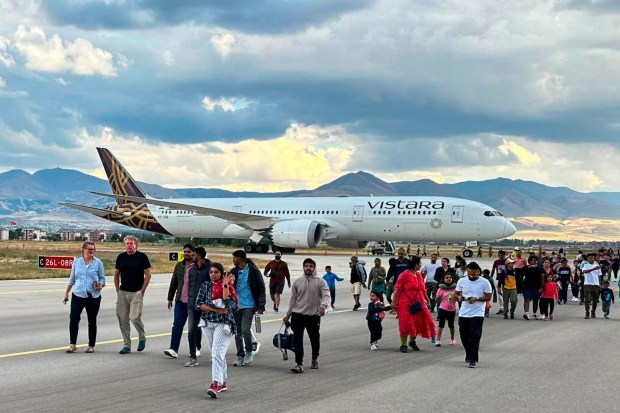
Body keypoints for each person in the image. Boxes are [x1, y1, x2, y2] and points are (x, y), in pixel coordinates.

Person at [196, 263, 238, 398]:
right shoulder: (205, 286)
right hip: (208, 322)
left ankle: (216, 383)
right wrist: (214, 309)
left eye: (216, 272)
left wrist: (225, 284)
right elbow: (199, 304)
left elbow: (227, 301)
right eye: (211, 272)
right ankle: (223, 381)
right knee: (217, 354)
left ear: (221, 274)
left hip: (224, 323)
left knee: (216, 353)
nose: (213, 274)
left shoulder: (226, 286)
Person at [283, 258, 331, 373]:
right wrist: (288, 314)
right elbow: (293, 299)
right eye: (306, 266)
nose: (308, 268)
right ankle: (299, 364)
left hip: (313, 316)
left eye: (310, 266)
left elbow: (326, 295)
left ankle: (314, 358)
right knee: (297, 339)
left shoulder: (320, 281)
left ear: (314, 268)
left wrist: (323, 306)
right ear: (303, 267)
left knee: (314, 338)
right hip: (297, 315)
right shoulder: (297, 281)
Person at [63, 241, 105, 353]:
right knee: (74, 318)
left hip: (93, 296)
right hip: (78, 295)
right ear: (83, 249)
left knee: (92, 320)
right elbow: (72, 279)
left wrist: (100, 285)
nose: (91, 251)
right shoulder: (76, 262)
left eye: (93, 249)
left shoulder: (98, 263)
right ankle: (72, 344)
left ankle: (91, 345)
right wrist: (66, 292)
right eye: (89, 249)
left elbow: (102, 278)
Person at [114, 235, 151, 354]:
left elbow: (148, 275)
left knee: (134, 317)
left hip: (136, 292)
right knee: (122, 319)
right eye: (127, 243)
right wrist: (117, 290)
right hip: (123, 292)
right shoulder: (121, 257)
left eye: (131, 243)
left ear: (136, 245)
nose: (129, 245)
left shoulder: (142, 257)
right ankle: (126, 344)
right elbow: (116, 274)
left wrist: (142, 290)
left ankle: (142, 336)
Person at [391, 257, 435, 353]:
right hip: (405, 303)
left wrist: (427, 299)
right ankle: (403, 344)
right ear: (415, 265)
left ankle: (412, 341)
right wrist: (393, 302)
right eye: (420, 263)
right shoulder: (404, 275)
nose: (421, 265)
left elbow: (422, 289)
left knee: (418, 322)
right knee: (406, 323)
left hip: (418, 302)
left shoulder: (419, 275)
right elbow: (397, 290)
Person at [231, 250, 266, 366]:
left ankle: (249, 351)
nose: (233, 260)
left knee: (245, 330)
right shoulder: (233, 272)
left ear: (241, 259)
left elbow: (261, 287)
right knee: (237, 332)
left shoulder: (253, 271)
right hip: (235, 305)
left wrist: (261, 305)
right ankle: (240, 355)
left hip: (249, 305)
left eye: (234, 258)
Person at [454, 262, 492, 368]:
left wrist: (478, 298)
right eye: (470, 274)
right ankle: (468, 353)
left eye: (474, 274)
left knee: (475, 336)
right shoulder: (462, 281)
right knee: (464, 336)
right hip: (464, 312)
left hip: (478, 313)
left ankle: (473, 359)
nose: (472, 276)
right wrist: (459, 297)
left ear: (478, 272)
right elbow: (456, 294)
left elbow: (488, 297)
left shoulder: (485, 282)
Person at [164, 243, 195, 359]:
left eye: (188, 252)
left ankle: (196, 348)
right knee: (177, 325)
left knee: (194, 327)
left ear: (193, 252)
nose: (186, 254)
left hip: (193, 302)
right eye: (185, 252)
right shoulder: (179, 265)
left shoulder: (197, 266)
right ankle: (173, 349)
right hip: (180, 301)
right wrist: (170, 298)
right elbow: (174, 282)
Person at [184, 246, 211, 367]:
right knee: (191, 330)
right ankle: (193, 357)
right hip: (193, 305)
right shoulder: (192, 269)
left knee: (211, 330)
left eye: (194, 255)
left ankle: (215, 353)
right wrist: (190, 300)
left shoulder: (210, 269)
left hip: (206, 306)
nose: (191, 256)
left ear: (199, 256)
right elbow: (190, 286)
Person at [434, 273, 457, 347]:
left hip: (452, 309)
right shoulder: (440, 289)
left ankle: (452, 339)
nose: (448, 279)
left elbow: (458, 298)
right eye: (446, 278)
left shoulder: (455, 289)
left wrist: (459, 298)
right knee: (441, 325)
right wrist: (437, 297)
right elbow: (437, 299)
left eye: (450, 277)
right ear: (443, 279)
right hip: (442, 308)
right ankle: (438, 340)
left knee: (451, 325)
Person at [581, 253, 602, 319]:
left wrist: (600, 284)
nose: (592, 259)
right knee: (587, 299)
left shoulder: (597, 266)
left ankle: (593, 312)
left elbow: (599, 276)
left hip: (595, 284)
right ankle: (587, 313)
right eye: (591, 258)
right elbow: (584, 271)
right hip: (587, 284)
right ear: (587, 259)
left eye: (593, 258)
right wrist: (593, 269)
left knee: (595, 300)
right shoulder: (585, 265)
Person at [522, 255, 543, 320]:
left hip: (536, 287)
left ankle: (534, 313)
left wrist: (541, 287)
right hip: (527, 287)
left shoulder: (539, 268)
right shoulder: (526, 267)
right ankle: (527, 313)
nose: (535, 262)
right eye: (534, 260)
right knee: (527, 300)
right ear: (530, 261)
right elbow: (521, 274)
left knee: (535, 301)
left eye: (536, 260)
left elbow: (543, 276)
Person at [490, 250, 507, 315]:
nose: (500, 257)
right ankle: (501, 308)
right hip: (499, 279)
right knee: (499, 295)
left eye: (502, 255)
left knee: (506, 294)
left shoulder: (507, 261)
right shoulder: (496, 262)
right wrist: (491, 277)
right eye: (499, 255)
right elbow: (493, 269)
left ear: (504, 255)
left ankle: (506, 308)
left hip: (506, 280)